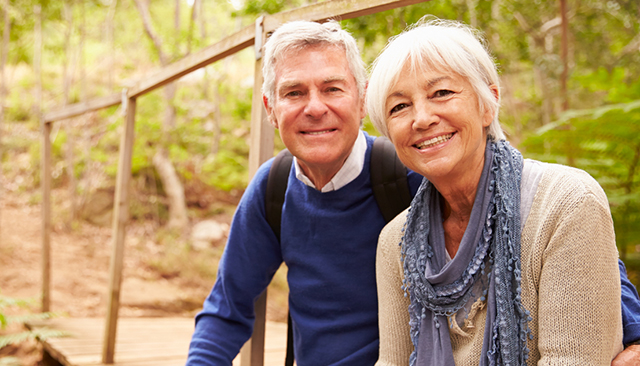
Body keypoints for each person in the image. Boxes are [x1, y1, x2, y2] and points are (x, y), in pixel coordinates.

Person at [186, 19, 640, 366]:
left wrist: (634, 332)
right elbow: (227, 308)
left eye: (332, 88)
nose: (315, 107)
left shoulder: (414, 167)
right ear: (270, 108)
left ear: (360, 100)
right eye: (294, 92)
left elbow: (552, 229)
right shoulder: (273, 191)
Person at [367, 17, 629, 365]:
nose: (422, 118)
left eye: (441, 92)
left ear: (488, 102)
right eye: (399, 106)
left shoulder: (567, 203)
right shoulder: (396, 241)